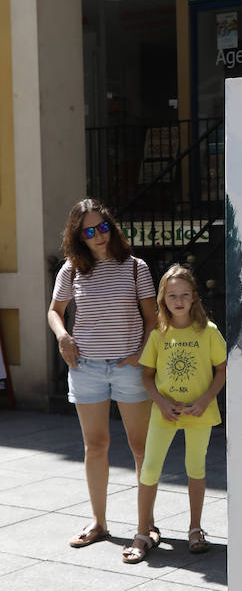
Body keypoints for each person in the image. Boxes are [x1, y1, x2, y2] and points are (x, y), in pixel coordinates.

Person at [48, 199, 160, 549]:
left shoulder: (135, 267)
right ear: (79, 235)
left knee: (141, 448)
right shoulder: (71, 269)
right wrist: (63, 336)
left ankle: (147, 526)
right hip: (87, 368)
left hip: (129, 368)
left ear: (112, 227)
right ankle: (99, 523)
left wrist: (142, 352)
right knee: (95, 446)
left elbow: (152, 317)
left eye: (103, 227)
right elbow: (54, 311)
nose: (99, 235)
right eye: (90, 230)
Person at [123, 264, 226, 564]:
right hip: (163, 412)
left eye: (184, 294)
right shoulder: (158, 334)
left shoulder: (208, 332)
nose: (178, 300)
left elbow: (221, 369)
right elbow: (146, 376)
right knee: (149, 469)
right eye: (171, 296)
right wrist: (161, 402)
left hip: (198, 413)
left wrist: (206, 400)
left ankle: (195, 529)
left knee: (195, 467)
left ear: (194, 297)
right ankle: (143, 532)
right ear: (162, 299)